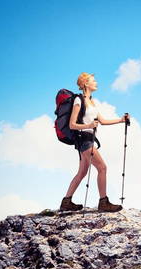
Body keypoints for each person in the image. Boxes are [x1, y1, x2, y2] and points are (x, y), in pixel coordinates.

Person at [60, 72, 130, 212]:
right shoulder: (78, 101)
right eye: (93, 80)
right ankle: (103, 202)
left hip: (87, 140)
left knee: (82, 172)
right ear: (86, 84)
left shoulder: (92, 102)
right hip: (84, 140)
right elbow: (72, 124)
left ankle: (66, 202)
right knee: (102, 168)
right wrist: (89, 126)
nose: (96, 82)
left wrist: (121, 120)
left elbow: (102, 121)